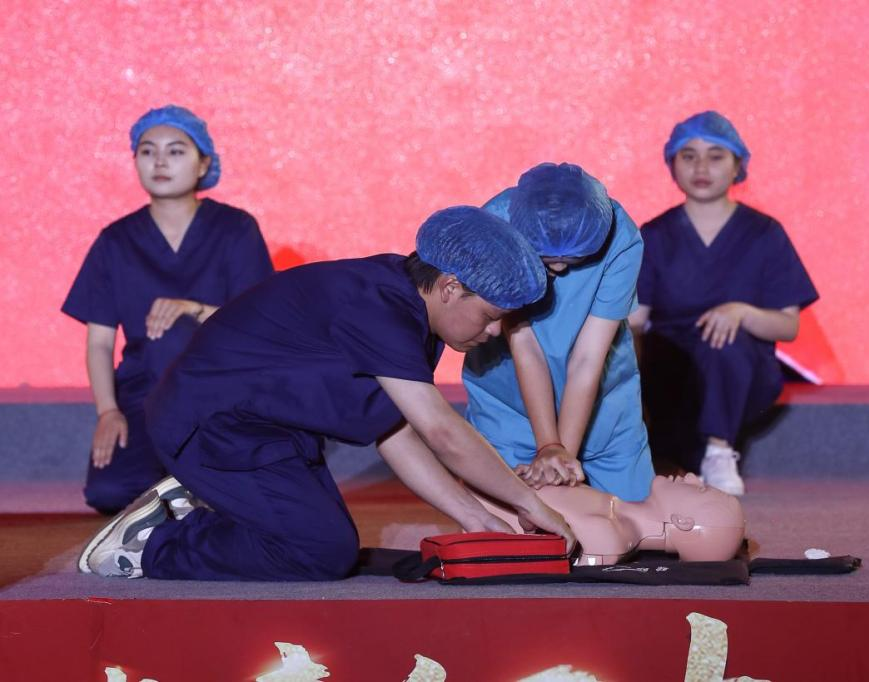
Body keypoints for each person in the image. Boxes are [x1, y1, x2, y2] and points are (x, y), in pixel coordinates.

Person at [78, 206, 576, 581]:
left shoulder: (407, 309)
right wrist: (531, 504)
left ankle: (208, 504)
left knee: (322, 539)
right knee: (321, 552)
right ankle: (152, 544)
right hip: (208, 427)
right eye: (490, 317)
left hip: (263, 431)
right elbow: (441, 432)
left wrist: (477, 518)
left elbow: (394, 432)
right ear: (449, 287)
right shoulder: (380, 307)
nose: (494, 333)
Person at [61, 105, 274, 515]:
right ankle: (186, 485)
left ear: (203, 163)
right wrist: (108, 411)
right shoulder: (116, 240)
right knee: (109, 492)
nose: (159, 161)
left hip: (222, 393)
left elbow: (258, 324)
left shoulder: (236, 229)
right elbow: (100, 342)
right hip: (145, 396)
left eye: (175, 151)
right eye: (147, 151)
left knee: (177, 334)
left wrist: (192, 308)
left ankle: (197, 480)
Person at [629, 111, 818, 496]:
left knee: (724, 341)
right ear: (672, 165)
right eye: (688, 156)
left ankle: (719, 450)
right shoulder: (654, 235)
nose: (701, 167)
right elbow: (635, 320)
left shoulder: (764, 234)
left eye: (715, 156)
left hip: (741, 372)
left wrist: (742, 313)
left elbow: (789, 326)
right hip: (671, 377)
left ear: (737, 166)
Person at [463, 163, 655, 502]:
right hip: (508, 403)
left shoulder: (621, 238)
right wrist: (549, 447)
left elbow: (588, 358)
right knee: (505, 521)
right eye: (545, 259)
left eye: (577, 259)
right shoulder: (496, 226)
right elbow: (524, 343)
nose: (561, 268)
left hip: (603, 407)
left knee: (635, 516)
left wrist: (559, 457)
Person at [476, 473, 745, 565]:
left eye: (700, 489)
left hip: (471, 515)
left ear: (682, 521)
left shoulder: (608, 536)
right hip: (477, 492)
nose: (691, 477)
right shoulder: (612, 512)